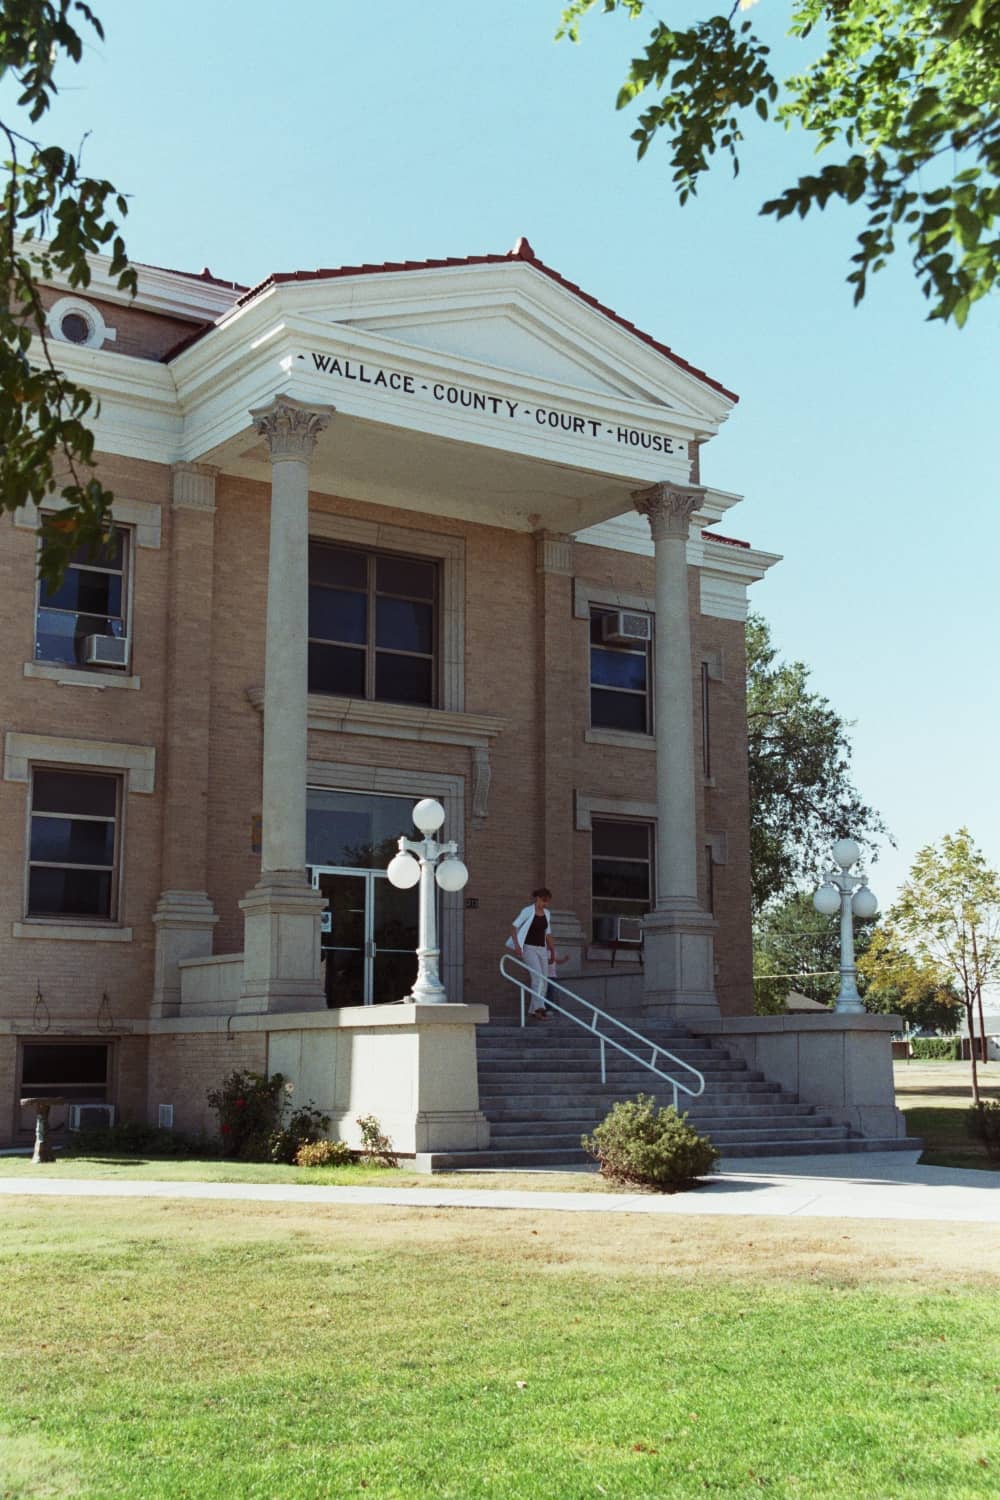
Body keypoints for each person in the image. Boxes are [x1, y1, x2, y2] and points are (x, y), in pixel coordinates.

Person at [509, 888, 559, 1020]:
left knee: (544, 979)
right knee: (537, 978)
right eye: (544, 901)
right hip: (529, 948)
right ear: (537, 899)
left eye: (547, 902)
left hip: (542, 949)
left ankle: (533, 1009)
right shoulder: (527, 911)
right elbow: (514, 927)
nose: (545, 904)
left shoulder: (547, 914)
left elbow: (547, 934)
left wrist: (553, 952)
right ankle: (539, 1009)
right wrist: (517, 946)